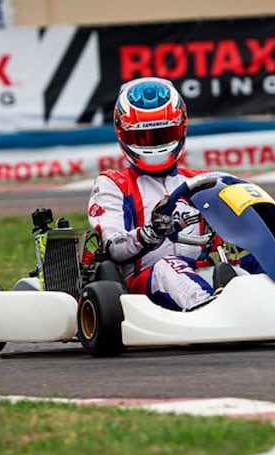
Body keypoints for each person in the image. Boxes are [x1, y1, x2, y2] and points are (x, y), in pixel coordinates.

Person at [87, 77, 226, 311]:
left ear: (181, 128)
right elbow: (114, 247)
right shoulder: (113, 184)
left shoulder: (204, 180)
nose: (154, 145)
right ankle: (210, 310)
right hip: (143, 282)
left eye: (163, 135)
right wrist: (150, 233)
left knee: (253, 261)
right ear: (123, 133)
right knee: (168, 266)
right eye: (143, 137)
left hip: (203, 270)